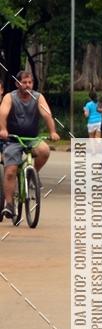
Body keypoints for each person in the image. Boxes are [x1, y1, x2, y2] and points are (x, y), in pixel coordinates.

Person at [0, 70, 60, 220]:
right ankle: (9, 204)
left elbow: (46, 114)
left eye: (30, 82)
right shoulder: (10, 97)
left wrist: (53, 131)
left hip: (32, 138)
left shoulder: (38, 97)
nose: (27, 85)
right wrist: (3, 129)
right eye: (24, 82)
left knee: (45, 150)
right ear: (17, 83)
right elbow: (2, 113)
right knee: (10, 171)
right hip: (13, 139)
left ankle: (31, 174)